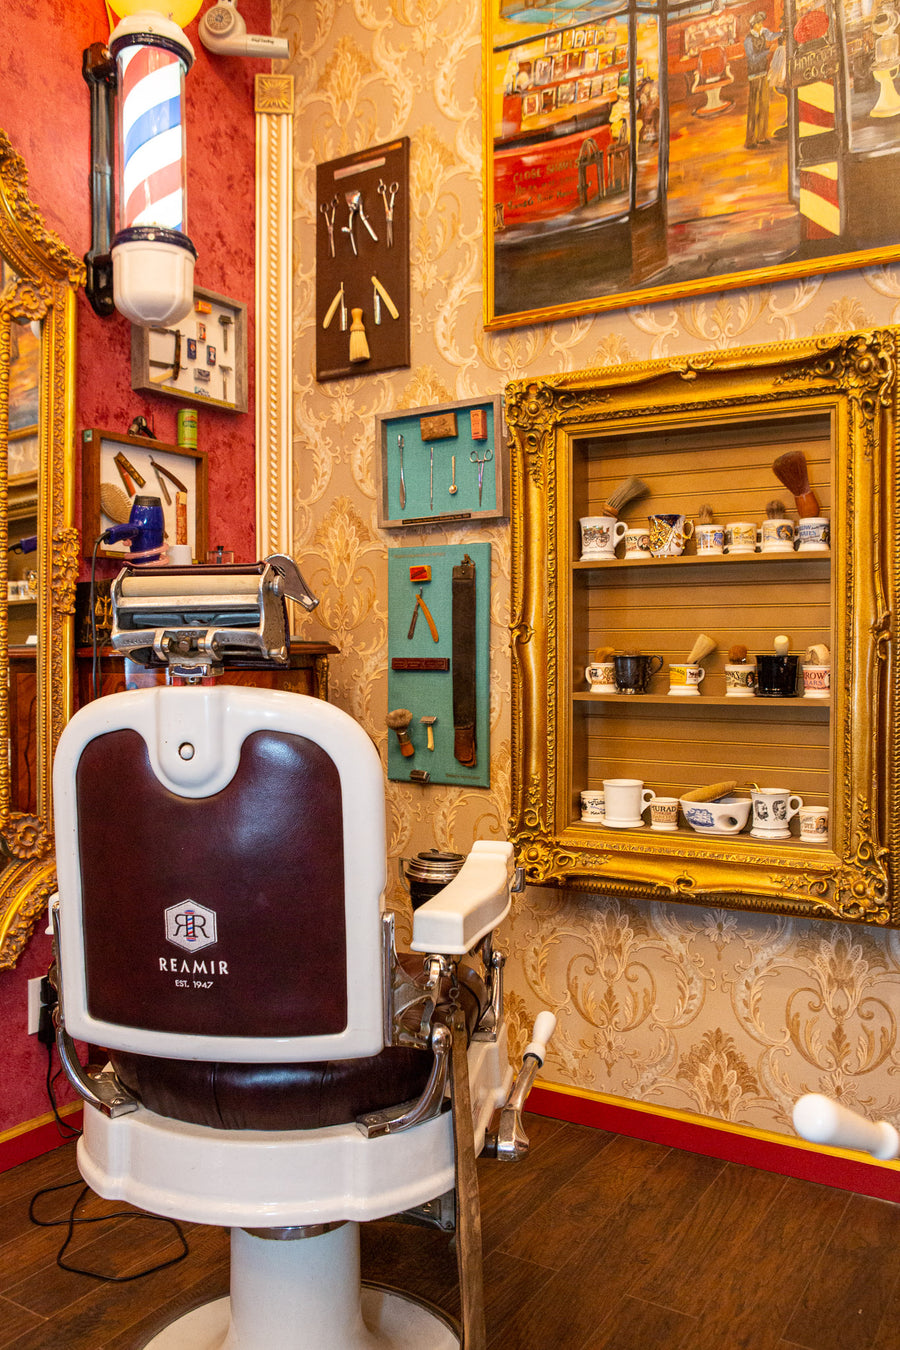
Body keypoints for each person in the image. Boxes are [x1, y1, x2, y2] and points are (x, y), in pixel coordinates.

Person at [744, 11, 782, 147]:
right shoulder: (748, 40)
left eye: (761, 23)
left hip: (764, 72)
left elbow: (772, 35)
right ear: (753, 25)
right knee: (754, 106)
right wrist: (768, 51)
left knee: (764, 104)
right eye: (759, 24)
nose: (761, 26)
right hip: (754, 74)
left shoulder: (763, 31)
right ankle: (750, 140)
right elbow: (752, 58)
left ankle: (761, 136)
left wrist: (784, 32)